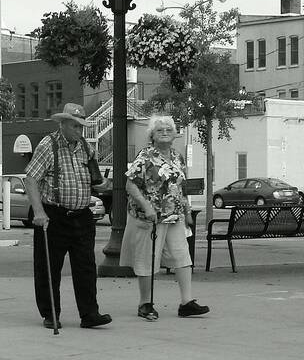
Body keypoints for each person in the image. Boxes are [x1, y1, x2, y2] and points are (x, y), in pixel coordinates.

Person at [25, 102, 112, 329]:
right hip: (54, 215)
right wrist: (39, 212)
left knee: (86, 267)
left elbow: (96, 180)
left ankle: (90, 314)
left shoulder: (85, 147)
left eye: (81, 126)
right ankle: (50, 313)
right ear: (62, 124)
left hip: (82, 216)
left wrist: (102, 185)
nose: (79, 131)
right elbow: (31, 179)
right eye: (75, 126)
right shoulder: (48, 145)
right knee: (48, 268)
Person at [120, 114, 210, 320]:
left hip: (174, 215)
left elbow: (181, 187)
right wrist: (147, 206)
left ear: (175, 134)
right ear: (152, 134)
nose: (165, 133)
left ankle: (186, 302)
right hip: (149, 217)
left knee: (182, 256)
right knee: (147, 258)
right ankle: (145, 303)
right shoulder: (145, 157)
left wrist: (187, 211)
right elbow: (130, 185)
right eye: (160, 130)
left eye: (169, 129)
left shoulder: (177, 157)